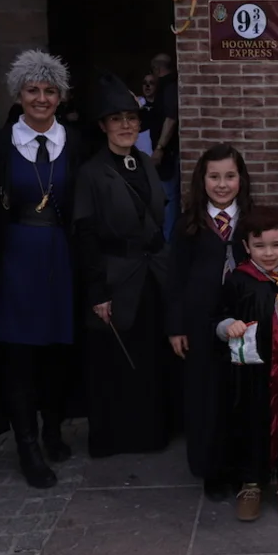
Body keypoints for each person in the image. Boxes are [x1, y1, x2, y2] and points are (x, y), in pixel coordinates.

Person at [0, 50, 80, 489]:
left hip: (61, 255)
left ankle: (53, 429)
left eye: (49, 91)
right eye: (32, 90)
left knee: (57, 353)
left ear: (60, 97)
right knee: (21, 356)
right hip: (16, 257)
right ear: (18, 94)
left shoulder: (75, 142)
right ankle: (27, 446)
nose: (41, 99)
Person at [73, 71, 174, 458]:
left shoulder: (145, 162)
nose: (126, 125)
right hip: (115, 277)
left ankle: (152, 432)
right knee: (115, 362)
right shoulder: (91, 172)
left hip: (152, 273)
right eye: (116, 119)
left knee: (150, 356)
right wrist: (97, 291)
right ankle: (116, 438)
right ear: (103, 126)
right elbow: (85, 235)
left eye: (131, 118)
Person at [216, 206, 278, 522]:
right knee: (251, 422)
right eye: (260, 246)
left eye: (276, 245)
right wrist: (227, 325)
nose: (269, 253)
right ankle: (251, 484)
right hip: (252, 373)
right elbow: (220, 313)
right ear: (246, 246)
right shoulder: (239, 280)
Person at [169, 144, 253, 500]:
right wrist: (176, 326)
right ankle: (210, 469)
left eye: (230, 176)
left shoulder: (251, 222)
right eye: (214, 176)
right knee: (206, 397)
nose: (222, 184)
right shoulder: (188, 224)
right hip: (200, 324)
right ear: (202, 180)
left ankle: (242, 465)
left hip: (244, 323)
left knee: (240, 394)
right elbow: (174, 278)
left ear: (241, 179)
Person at [147, 53, 181, 240]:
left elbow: (171, 118)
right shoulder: (169, 86)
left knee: (169, 197)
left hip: (168, 153)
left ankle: (169, 240)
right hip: (168, 151)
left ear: (157, 68)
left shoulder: (168, 87)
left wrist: (160, 147)